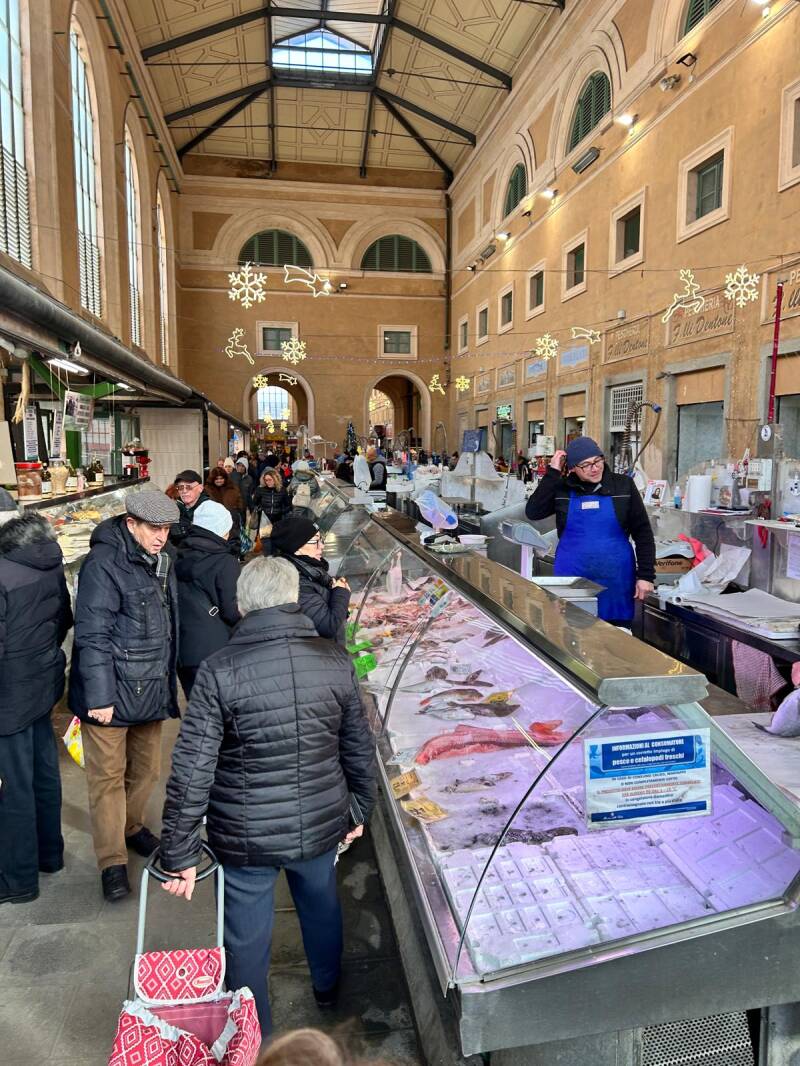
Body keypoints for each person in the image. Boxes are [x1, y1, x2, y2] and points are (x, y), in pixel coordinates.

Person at [158, 556, 376, 1035]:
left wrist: (180, 851)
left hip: (244, 834)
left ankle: (253, 1030)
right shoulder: (334, 661)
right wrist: (359, 809)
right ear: (295, 600)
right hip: (320, 820)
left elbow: (192, 767)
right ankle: (327, 990)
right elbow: (359, 747)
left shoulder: (219, 670)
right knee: (321, 906)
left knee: (244, 936)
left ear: (242, 605)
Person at [69, 490, 181, 902]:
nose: (161, 537)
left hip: (149, 688)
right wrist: (100, 697)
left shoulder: (163, 559)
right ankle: (112, 861)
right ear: (131, 523)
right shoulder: (103, 564)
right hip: (110, 695)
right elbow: (93, 635)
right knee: (107, 781)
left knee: (147, 771)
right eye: (154, 528)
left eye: (167, 529)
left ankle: (131, 827)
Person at [0, 507, 73, 904]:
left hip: (8, 697)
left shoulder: (3, 575)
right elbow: (64, 620)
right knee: (44, 775)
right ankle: (50, 855)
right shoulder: (52, 566)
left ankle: (18, 879)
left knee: (11, 788)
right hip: (43, 685)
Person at [525, 436, 656, 625]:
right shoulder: (562, 489)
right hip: (572, 581)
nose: (594, 469)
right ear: (572, 468)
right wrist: (553, 472)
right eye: (585, 465)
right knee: (573, 633)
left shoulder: (623, 486)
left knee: (615, 636)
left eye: (597, 461)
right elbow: (533, 511)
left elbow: (643, 532)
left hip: (615, 580)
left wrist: (646, 576)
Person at [175, 500, 241, 697]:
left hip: (184, 650)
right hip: (216, 648)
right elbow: (231, 611)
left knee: (197, 706)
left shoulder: (179, 554)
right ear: (221, 529)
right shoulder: (225, 561)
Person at [270, 516, 350, 643]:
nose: (322, 546)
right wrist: (341, 593)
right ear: (297, 547)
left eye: (321, 539)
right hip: (323, 651)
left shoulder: (308, 568)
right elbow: (328, 626)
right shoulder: (298, 584)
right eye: (316, 541)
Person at [252, 467, 292, 552]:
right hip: (264, 520)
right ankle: (267, 555)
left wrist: (281, 512)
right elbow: (254, 503)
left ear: (275, 479)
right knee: (266, 542)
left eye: (270, 480)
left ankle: (274, 554)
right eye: (266, 480)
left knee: (276, 541)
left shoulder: (282, 490)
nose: (268, 482)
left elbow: (288, 505)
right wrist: (260, 509)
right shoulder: (260, 490)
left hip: (277, 520)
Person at [205, 467, 243, 548]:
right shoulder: (207, 490)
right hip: (214, 523)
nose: (219, 480)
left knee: (233, 544)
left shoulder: (233, 488)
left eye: (221, 478)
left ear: (225, 478)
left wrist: (236, 512)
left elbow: (240, 502)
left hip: (232, 522)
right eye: (216, 479)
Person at [172, 469, 209, 544]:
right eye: (181, 487)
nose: (184, 491)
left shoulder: (210, 510)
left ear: (200, 488)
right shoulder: (174, 511)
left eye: (189, 487)